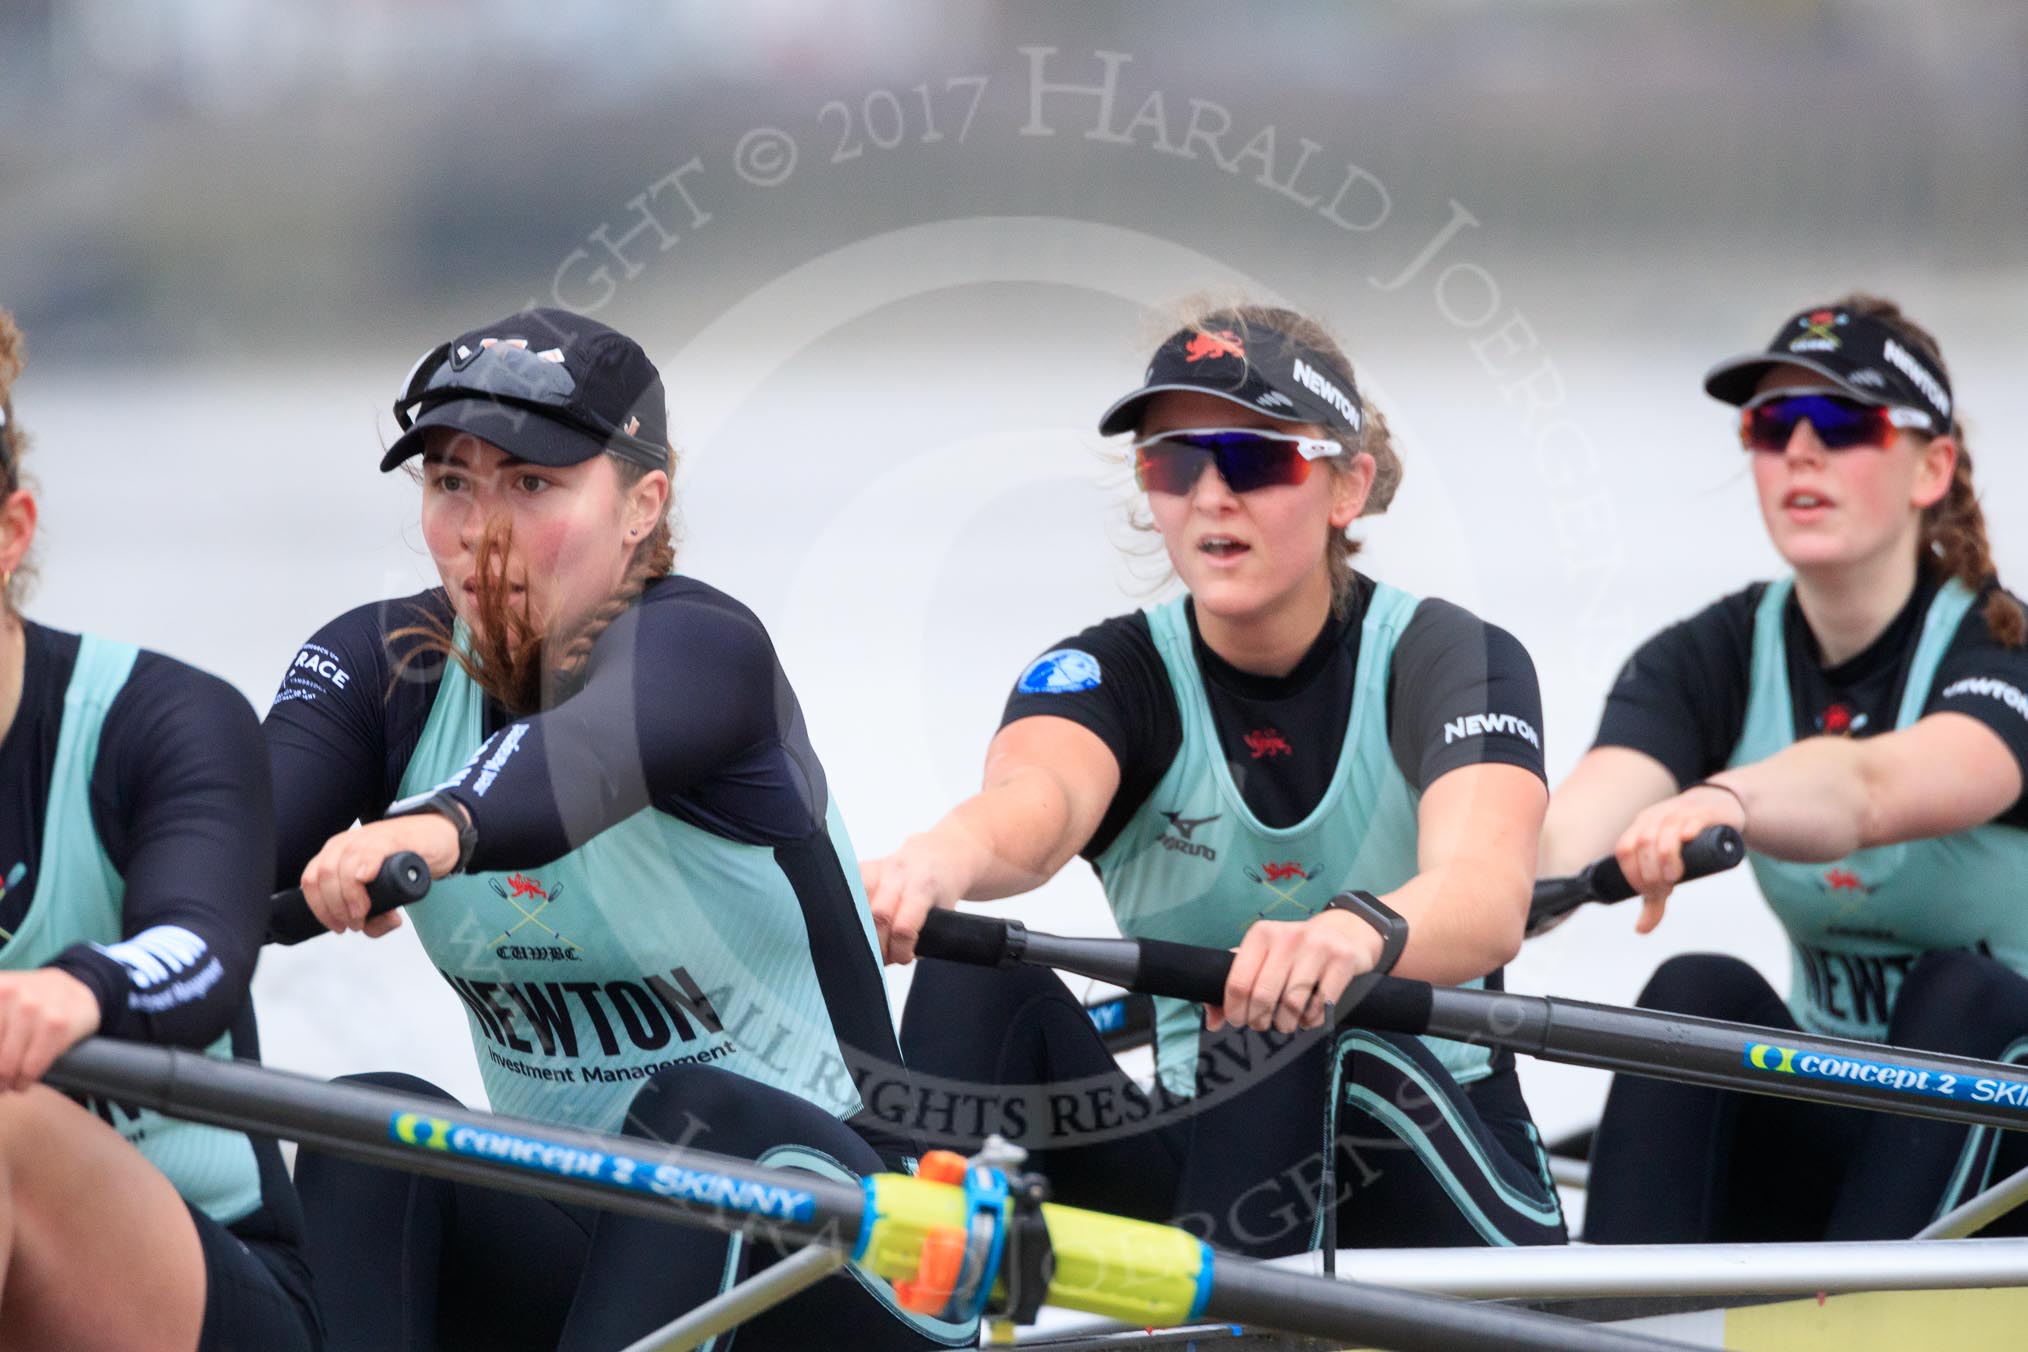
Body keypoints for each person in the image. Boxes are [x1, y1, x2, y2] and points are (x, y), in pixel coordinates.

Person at [264, 308, 964, 1350]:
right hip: (600, 1258)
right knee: (370, 1124)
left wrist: (432, 826)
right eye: (452, 482)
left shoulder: (706, 652)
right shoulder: (381, 667)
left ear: (643, 504)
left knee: (695, 1113)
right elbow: (229, 847)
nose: (482, 531)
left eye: (531, 484)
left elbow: (578, 756)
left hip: (857, 1259)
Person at [868, 302, 1566, 1255]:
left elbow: (1487, 891)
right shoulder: (1108, 675)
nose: (1210, 496)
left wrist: (1349, 932)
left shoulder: (1451, 660)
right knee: (968, 965)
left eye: (1253, 459)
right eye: (1174, 463)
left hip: (1440, 1168)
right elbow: (1035, 807)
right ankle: (907, 1293)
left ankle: (1203, 1307)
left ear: (1347, 486)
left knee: (1284, 1007)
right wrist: (936, 862)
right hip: (1210, 1167)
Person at [1541, 295, 2028, 1242]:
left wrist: (1726, 797)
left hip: (2007, 1150)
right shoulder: (1710, 655)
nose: (1801, 450)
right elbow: (1566, 839)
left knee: (1959, 995)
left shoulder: (2000, 652)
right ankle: (1617, 1307)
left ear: (1932, 467)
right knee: (1695, 992)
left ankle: (1856, 1305)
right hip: (1852, 1136)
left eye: (1842, 422)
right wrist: (1406, 905)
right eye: (1771, 425)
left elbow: (1872, 792)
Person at [0, 309, 321, 1349]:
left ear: (12, 532)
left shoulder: (161, 719)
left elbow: (204, 946)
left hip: (214, 1281)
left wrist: (75, 989)